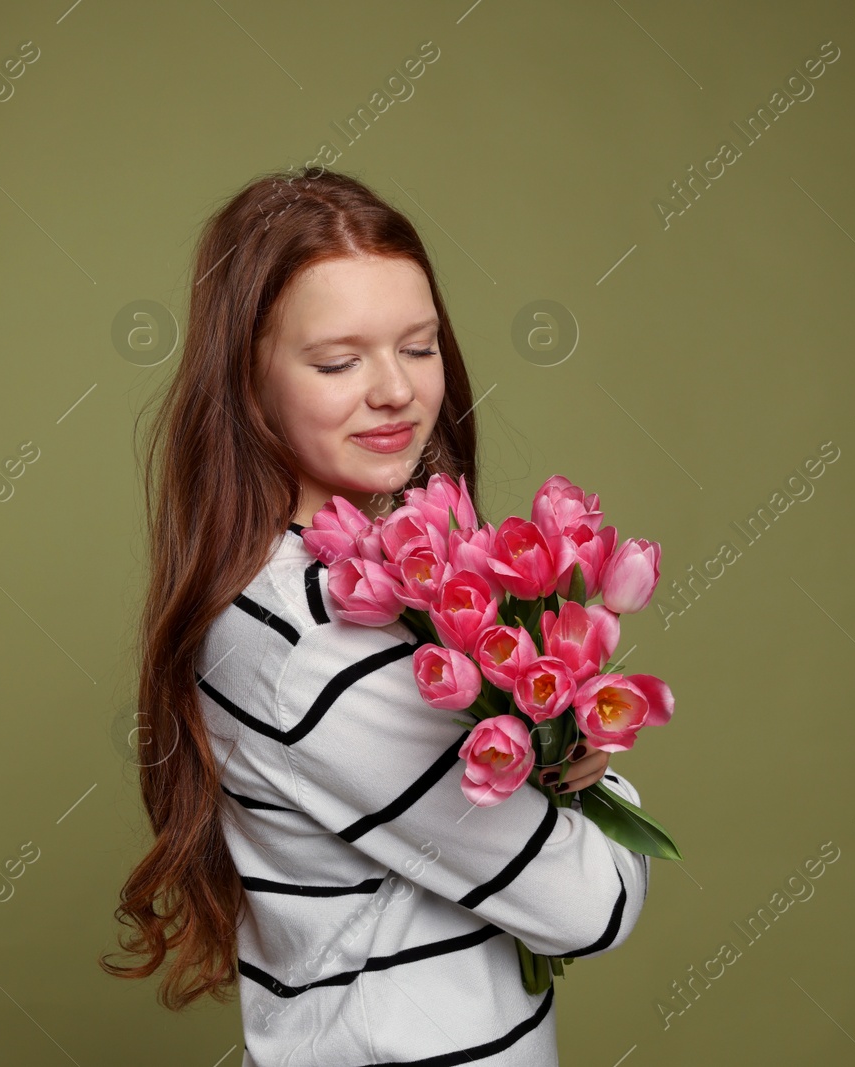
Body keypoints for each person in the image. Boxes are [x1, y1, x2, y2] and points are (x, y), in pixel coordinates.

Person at [102, 168, 651, 1065]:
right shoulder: (309, 643)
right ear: (248, 382)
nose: (395, 390)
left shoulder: (375, 573)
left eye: (420, 346)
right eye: (338, 361)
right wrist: (575, 754)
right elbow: (594, 906)